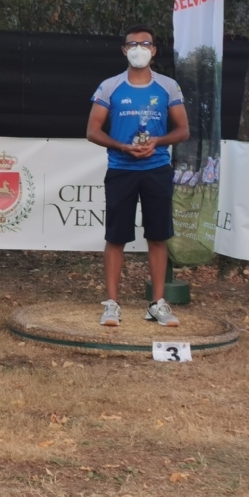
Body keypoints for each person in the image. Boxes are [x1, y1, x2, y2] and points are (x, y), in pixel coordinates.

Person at [87, 24, 189, 327]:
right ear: (124, 50)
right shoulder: (110, 87)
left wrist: (157, 141)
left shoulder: (168, 87)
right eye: (132, 44)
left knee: (158, 236)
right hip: (121, 169)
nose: (139, 49)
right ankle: (112, 305)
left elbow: (183, 130)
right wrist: (121, 145)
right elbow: (92, 130)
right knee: (115, 237)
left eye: (145, 44)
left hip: (157, 168)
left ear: (154, 50)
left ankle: (157, 304)